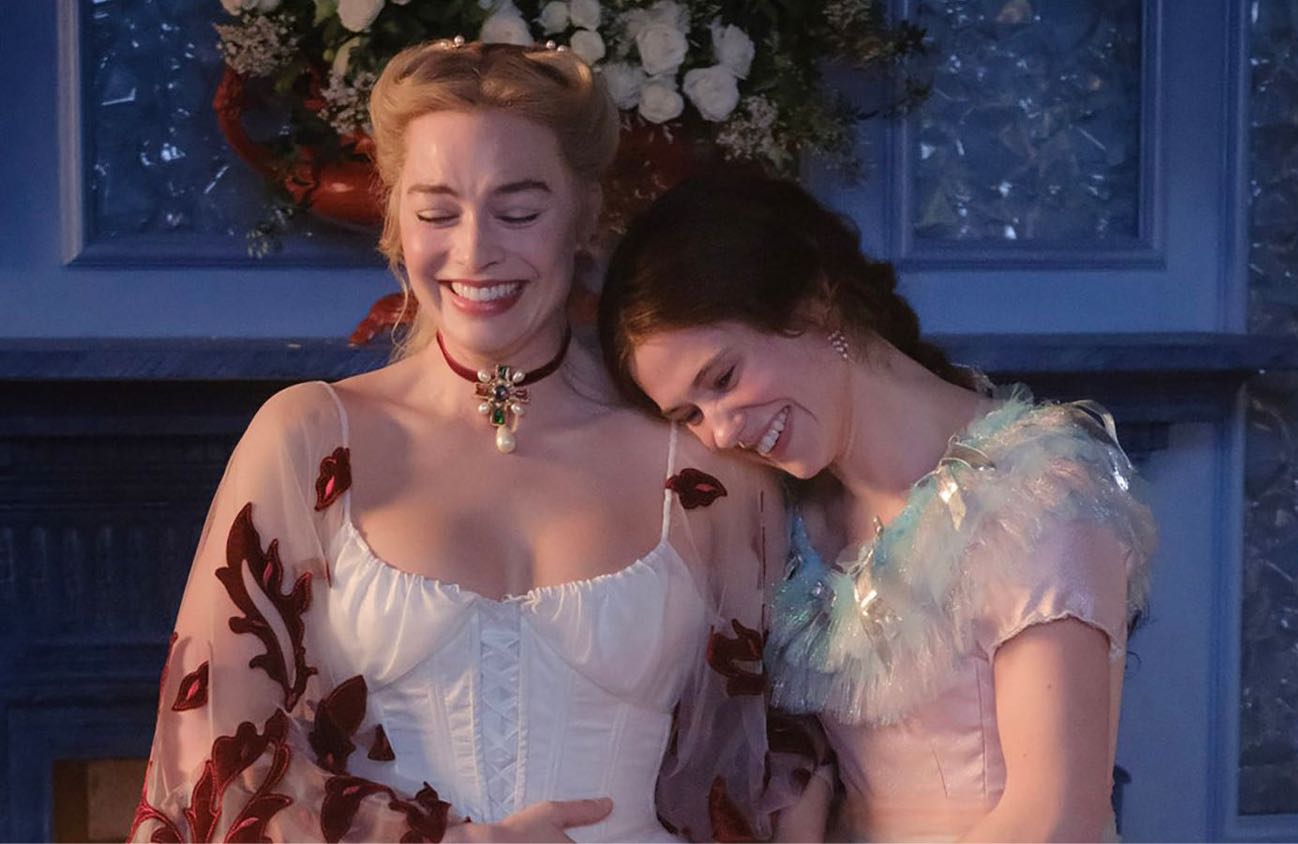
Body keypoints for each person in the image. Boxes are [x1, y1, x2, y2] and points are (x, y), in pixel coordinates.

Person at [131, 43, 794, 843]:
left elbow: (776, 770)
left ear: (586, 213)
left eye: (519, 212)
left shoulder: (704, 459)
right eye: (437, 213)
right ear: (394, 221)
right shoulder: (307, 438)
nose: (475, 251)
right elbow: (213, 757)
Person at [597, 173, 1158, 842]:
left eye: (723, 378)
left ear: (814, 301)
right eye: (689, 414)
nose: (719, 432)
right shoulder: (795, 524)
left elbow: (1056, 817)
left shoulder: (1033, 488)